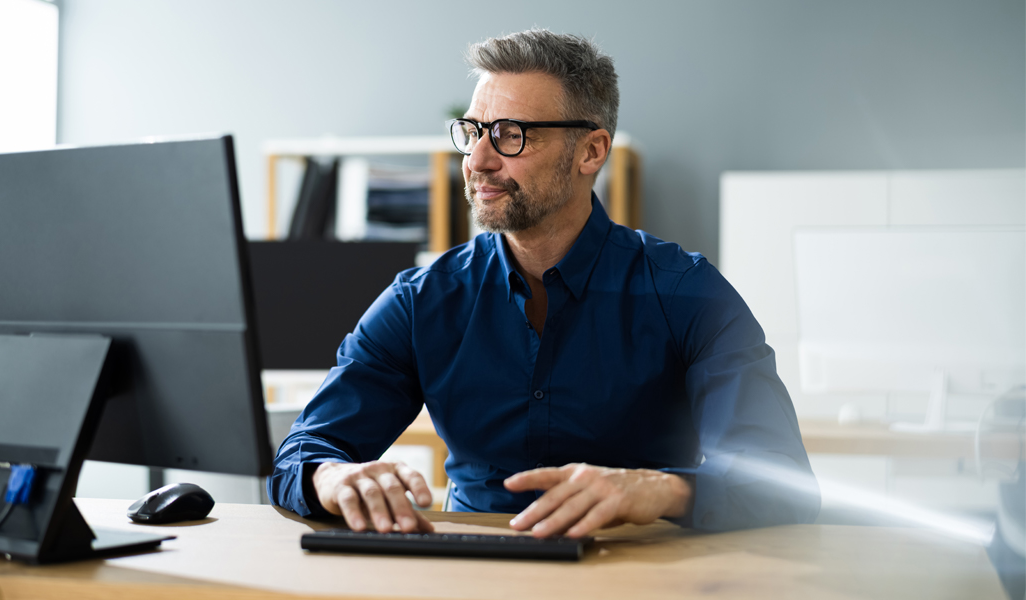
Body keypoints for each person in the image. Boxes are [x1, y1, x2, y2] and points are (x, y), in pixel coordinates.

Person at [267, 29, 820, 537]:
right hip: (468, 577)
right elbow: (302, 454)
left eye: (511, 135)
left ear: (592, 150)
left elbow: (782, 484)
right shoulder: (421, 300)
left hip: (635, 577)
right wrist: (333, 478)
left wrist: (661, 488)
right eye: (473, 131)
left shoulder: (688, 294)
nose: (478, 159)